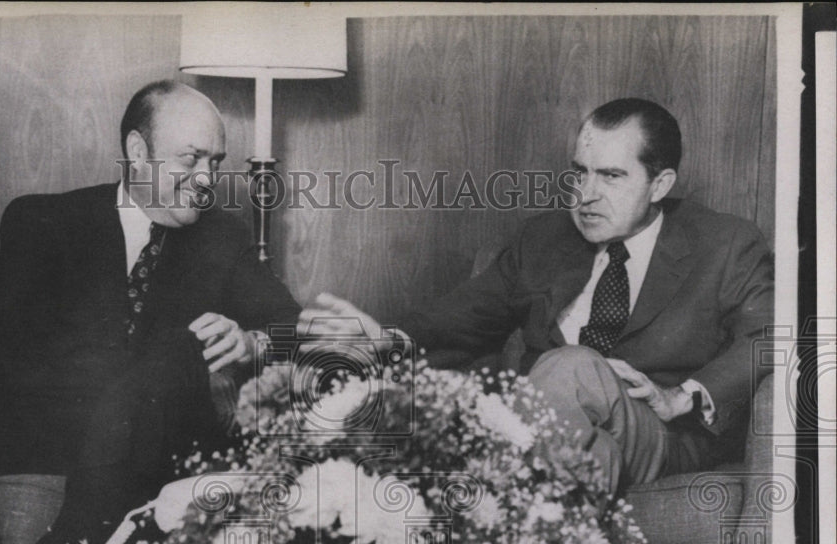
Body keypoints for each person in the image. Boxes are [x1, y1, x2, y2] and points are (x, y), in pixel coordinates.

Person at [298, 98, 773, 495]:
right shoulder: (545, 239)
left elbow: (769, 334)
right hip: (549, 433)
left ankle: (524, 538)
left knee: (570, 365)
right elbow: (469, 314)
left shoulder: (724, 243)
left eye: (610, 177)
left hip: (657, 433)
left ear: (660, 184)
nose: (585, 195)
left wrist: (683, 397)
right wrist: (388, 339)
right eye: (579, 173)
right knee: (401, 413)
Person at [0, 80, 301, 544]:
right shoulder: (44, 221)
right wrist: (139, 390)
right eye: (190, 159)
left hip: (171, 439)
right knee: (174, 351)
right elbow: (21, 362)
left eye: (215, 163)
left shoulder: (223, 237)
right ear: (137, 152)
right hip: (55, 424)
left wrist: (251, 342)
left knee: (179, 349)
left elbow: (293, 329)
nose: (205, 181)